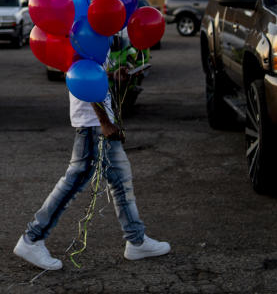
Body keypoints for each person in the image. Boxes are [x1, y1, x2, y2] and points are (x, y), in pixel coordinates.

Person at [13, 63, 171, 270]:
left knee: (121, 181)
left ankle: (137, 241)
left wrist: (112, 75)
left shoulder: (99, 35)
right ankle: (32, 239)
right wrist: (104, 122)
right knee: (73, 182)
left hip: (96, 121)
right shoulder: (88, 31)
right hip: (92, 124)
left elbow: (89, 70)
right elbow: (84, 77)